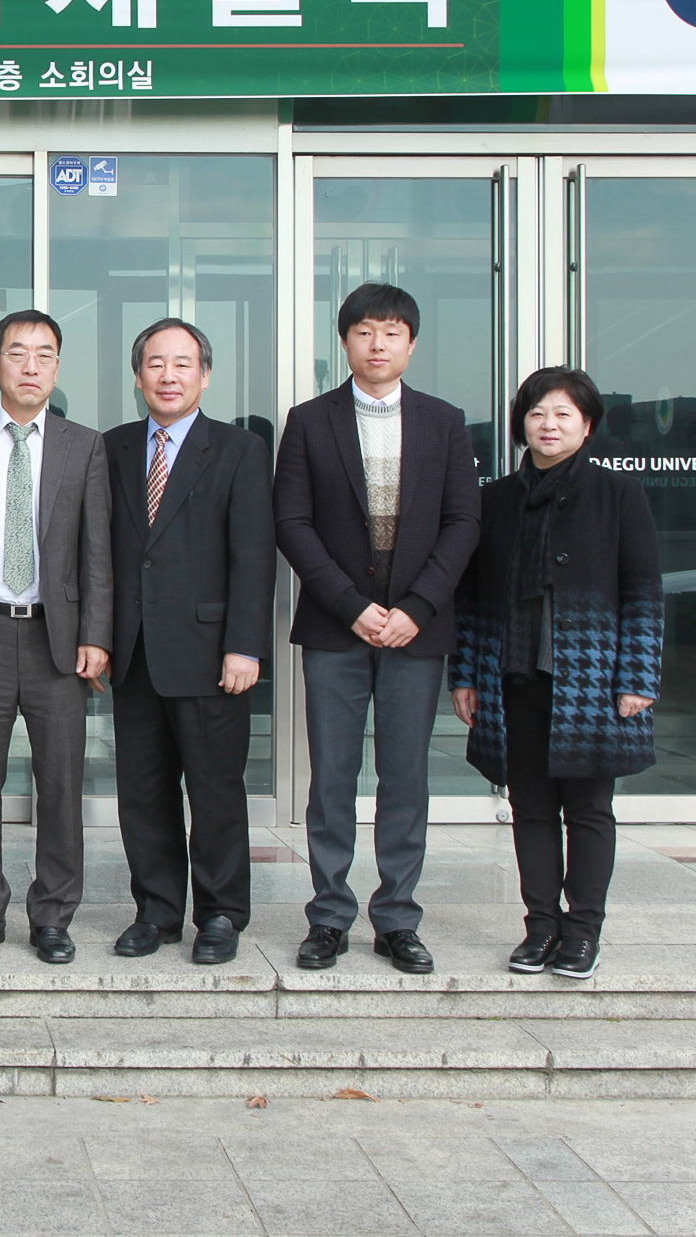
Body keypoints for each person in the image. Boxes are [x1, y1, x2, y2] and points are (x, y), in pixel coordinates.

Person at [274, 283, 481, 975]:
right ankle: (329, 916)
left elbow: (464, 522)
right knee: (332, 775)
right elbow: (292, 522)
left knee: (405, 776)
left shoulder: (444, 422)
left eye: (392, 332)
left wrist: (417, 608)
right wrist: (349, 604)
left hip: (415, 633)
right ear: (345, 342)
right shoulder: (310, 421)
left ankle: (397, 918)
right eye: (365, 331)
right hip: (337, 629)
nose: (378, 344)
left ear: (411, 344)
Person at [451, 368, 661, 980]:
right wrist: (465, 674)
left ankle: (583, 930)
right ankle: (540, 926)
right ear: (522, 423)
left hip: (593, 682)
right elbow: (471, 596)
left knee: (590, 810)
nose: (549, 425)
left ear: (586, 425)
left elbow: (643, 591)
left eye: (563, 414)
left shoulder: (618, 494)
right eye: (538, 413)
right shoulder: (495, 500)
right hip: (512, 677)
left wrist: (638, 676)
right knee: (530, 808)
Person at [105, 319, 276, 964]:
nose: (168, 376)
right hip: (135, 653)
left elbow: (254, 557)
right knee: (143, 794)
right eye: (155, 363)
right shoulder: (115, 448)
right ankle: (156, 911)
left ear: (205, 375)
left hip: (211, 655)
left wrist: (245, 645)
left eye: (182, 364)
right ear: (138, 374)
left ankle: (221, 913)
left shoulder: (239, 450)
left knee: (215, 791)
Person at [0, 311, 111, 965]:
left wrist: (96, 635)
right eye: (17, 353)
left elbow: (97, 551)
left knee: (61, 786)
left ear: (57, 367)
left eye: (44, 354)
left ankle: (53, 915)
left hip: (57, 639)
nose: (31, 366)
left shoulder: (84, 445)